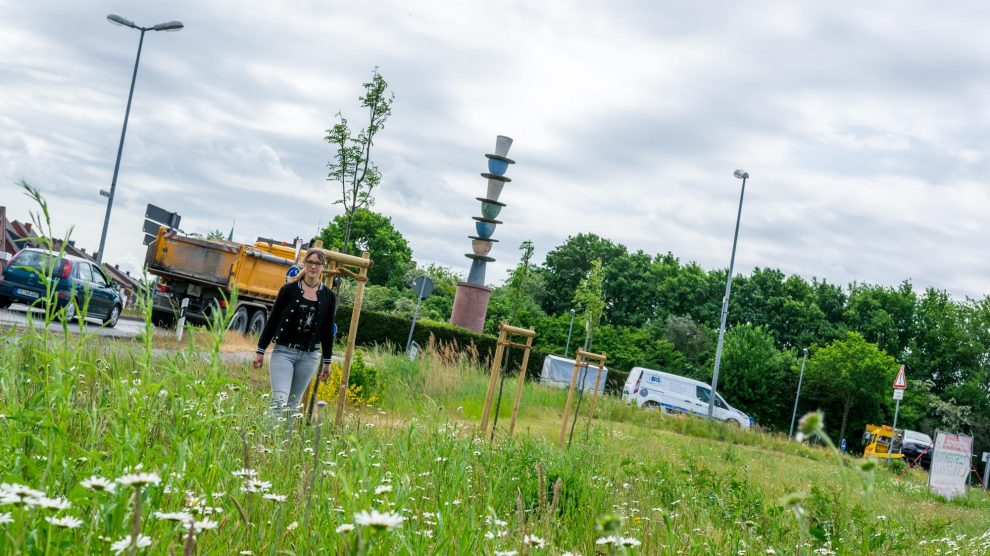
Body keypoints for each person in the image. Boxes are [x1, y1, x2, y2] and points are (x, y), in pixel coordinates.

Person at [253, 248, 337, 417]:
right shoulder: (288, 290)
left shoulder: (329, 296)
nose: (313, 267)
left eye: (318, 263)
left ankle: (284, 442)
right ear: (304, 264)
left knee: (292, 405)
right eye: (310, 262)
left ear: (323, 267)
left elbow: (327, 330)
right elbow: (273, 320)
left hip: (309, 356)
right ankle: (268, 439)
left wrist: (327, 361)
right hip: (284, 352)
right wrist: (260, 350)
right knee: (280, 401)